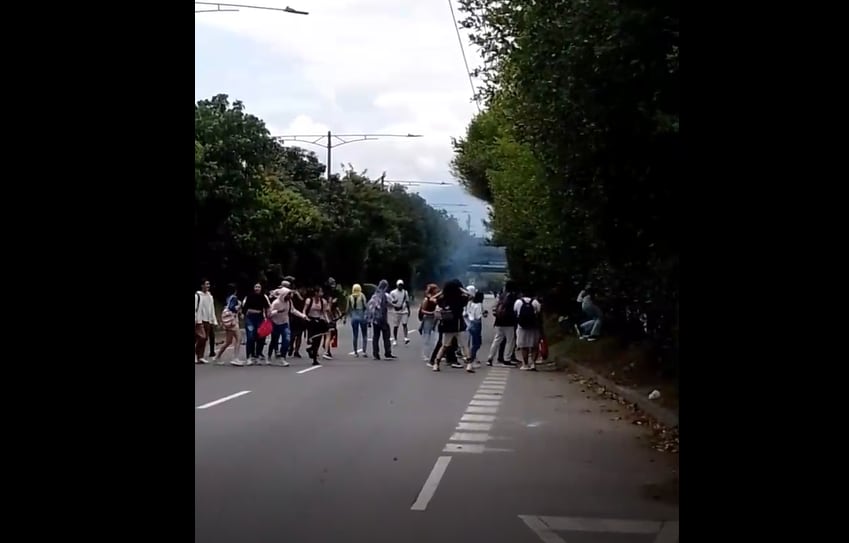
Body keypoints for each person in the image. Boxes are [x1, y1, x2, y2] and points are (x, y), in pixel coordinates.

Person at [432, 279, 474, 373]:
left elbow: (432, 299)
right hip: (459, 325)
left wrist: (442, 291)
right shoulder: (460, 298)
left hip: (447, 326)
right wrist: (462, 290)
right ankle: (469, 364)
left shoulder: (444, 299)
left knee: (444, 346)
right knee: (464, 346)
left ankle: (436, 364)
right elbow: (471, 296)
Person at [267, 286, 308, 366]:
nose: (290, 296)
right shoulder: (276, 303)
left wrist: (303, 316)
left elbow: (293, 310)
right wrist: (277, 311)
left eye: (290, 295)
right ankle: (269, 357)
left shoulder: (289, 302)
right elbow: (269, 314)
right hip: (275, 323)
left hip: (285, 323)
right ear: (283, 294)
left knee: (286, 340)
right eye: (288, 295)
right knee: (274, 341)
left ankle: (283, 358)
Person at [488, 280, 518, 366]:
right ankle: (507, 359)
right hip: (509, 321)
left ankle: (490, 358)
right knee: (510, 341)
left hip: (498, 321)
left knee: (497, 340)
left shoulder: (501, 295)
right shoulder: (512, 296)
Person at [214, 284, 244, 366]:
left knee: (228, 341)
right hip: (232, 321)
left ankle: (217, 357)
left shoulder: (228, 298)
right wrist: (238, 307)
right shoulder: (234, 298)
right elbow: (232, 308)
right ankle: (235, 358)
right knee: (239, 338)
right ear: (235, 290)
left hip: (228, 321)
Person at [242, 282, 271, 365]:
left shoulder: (263, 297)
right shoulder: (249, 296)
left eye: (259, 287)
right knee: (250, 337)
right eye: (256, 287)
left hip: (260, 318)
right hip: (250, 318)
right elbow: (245, 309)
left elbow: (267, 307)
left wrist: (268, 315)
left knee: (261, 337)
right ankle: (249, 357)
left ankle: (258, 355)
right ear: (253, 288)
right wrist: (249, 312)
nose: (257, 288)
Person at [367, 279, 396, 360]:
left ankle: (376, 354)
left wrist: (369, 320)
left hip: (375, 320)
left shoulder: (374, 295)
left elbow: (370, 307)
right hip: (382, 318)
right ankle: (387, 352)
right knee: (386, 335)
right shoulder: (385, 295)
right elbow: (391, 304)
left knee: (375, 337)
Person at [514, 291, 542, 370]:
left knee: (524, 346)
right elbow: (539, 313)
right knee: (534, 346)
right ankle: (533, 363)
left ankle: (525, 364)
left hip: (522, 327)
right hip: (533, 327)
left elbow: (515, 312)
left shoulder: (518, 302)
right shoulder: (535, 302)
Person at [304, 286, 331, 366]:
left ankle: (314, 359)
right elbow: (304, 310)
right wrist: (304, 316)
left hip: (319, 321)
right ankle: (311, 349)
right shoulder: (309, 300)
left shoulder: (323, 301)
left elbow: (324, 312)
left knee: (318, 340)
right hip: (310, 321)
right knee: (312, 339)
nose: (321, 293)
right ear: (316, 293)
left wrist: (327, 320)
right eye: (320, 291)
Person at [195, 278, 218, 365]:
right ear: (202, 285)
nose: (208, 286)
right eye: (206, 284)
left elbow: (212, 309)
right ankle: (197, 354)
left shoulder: (210, 296)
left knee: (205, 339)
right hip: (199, 320)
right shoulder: (197, 295)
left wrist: (214, 320)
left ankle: (201, 356)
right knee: (201, 337)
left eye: (208, 284)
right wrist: (196, 319)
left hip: (208, 320)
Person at [346, 283, 369, 357]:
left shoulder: (350, 297)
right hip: (361, 315)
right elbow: (365, 306)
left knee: (355, 335)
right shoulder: (362, 296)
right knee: (364, 334)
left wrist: (345, 318)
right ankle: (364, 351)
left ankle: (355, 352)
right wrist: (368, 316)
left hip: (354, 316)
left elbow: (347, 308)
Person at [419, 283, 439, 362]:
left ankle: (433, 354)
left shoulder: (435, 298)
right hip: (428, 318)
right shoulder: (426, 299)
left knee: (435, 337)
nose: (437, 290)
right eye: (436, 289)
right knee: (427, 337)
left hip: (435, 319)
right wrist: (432, 313)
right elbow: (423, 310)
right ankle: (425, 354)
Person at [388, 279, 410, 346]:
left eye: (401, 285)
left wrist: (409, 310)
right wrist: (394, 303)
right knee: (396, 326)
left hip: (404, 310)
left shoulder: (405, 292)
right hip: (396, 311)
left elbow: (407, 301)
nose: (400, 286)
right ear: (397, 285)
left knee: (404, 324)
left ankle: (406, 337)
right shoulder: (393, 293)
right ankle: (395, 339)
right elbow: (390, 301)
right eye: (399, 285)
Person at [467, 290, 485, 367]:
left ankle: (472, 358)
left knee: (475, 343)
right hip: (476, 324)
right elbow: (478, 316)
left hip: (471, 324)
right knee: (477, 344)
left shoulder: (471, 303)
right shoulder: (479, 305)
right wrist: (483, 314)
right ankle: (471, 360)